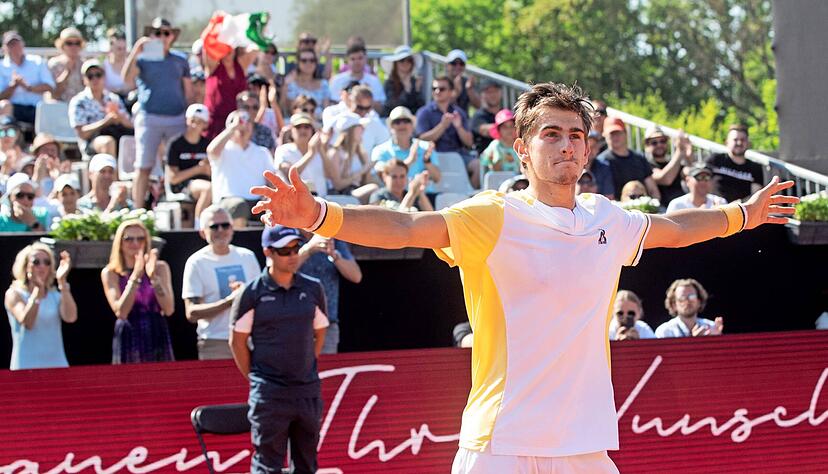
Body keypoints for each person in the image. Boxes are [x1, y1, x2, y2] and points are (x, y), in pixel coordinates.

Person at [250, 81, 797, 473]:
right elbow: (407, 225)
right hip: (501, 443)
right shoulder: (493, 215)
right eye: (551, 134)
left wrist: (744, 214)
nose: (566, 145)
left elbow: (675, 227)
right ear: (522, 150)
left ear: (588, 150)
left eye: (577, 136)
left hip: (583, 442)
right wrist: (321, 215)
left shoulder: (608, 218)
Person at [229, 225, 329, 474]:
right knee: (267, 467)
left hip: (307, 392)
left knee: (307, 466)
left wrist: (304, 364)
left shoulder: (313, 288)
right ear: (268, 252)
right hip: (269, 395)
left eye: (296, 248)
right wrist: (259, 378)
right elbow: (237, 342)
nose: (293, 254)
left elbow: (320, 332)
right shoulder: (250, 293)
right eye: (285, 250)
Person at [122, 17, 191, 208]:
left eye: (165, 33)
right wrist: (136, 50)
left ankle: (172, 205)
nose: (161, 37)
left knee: (175, 164)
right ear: (151, 35)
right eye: (157, 33)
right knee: (143, 166)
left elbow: (189, 91)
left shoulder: (180, 60)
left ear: (172, 36)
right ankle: (138, 210)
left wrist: (188, 113)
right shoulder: (142, 59)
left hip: (177, 117)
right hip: (149, 117)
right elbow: (126, 79)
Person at [183, 205, 260, 360]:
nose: (220, 230)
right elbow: (191, 312)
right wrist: (230, 301)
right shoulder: (196, 262)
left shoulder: (247, 256)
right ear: (202, 232)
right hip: (215, 342)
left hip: (250, 340)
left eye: (225, 225)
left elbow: (260, 296)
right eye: (214, 226)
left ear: (232, 228)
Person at [101, 219, 175, 363]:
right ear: (120, 243)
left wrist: (153, 277)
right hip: (129, 332)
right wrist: (135, 276)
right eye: (129, 239)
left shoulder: (160, 268)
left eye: (140, 239)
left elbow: (169, 309)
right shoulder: (111, 273)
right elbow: (121, 312)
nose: (135, 243)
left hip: (156, 330)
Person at [5, 244, 77, 370]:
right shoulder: (14, 294)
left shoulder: (55, 295)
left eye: (47, 262)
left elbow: (70, 317)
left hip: (57, 365)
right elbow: (28, 323)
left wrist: (62, 282)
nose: (42, 266)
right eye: (36, 262)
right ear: (26, 266)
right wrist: (37, 293)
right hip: (25, 366)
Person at [207, 111, 276, 228]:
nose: (243, 125)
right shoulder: (223, 150)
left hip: (257, 201)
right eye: (237, 122)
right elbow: (211, 151)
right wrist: (233, 127)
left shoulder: (262, 152)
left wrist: (271, 197)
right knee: (240, 206)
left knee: (274, 207)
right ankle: (239, 242)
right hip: (228, 201)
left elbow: (271, 182)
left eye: (247, 122)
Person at [298, 230, 362, 354]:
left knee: (327, 371)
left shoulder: (331, 237)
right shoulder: (287, 234)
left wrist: (335, 256)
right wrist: (308, 249)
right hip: (292, 325)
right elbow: (279, 273)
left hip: (328, 326)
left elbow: (356, 276)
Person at [416, 75, 477, 187]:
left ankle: (472, 197)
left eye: (442, 89)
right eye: (434, 89)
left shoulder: (459, 112)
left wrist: (459, 127)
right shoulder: (424, 112)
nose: (438, 91)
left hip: (458, 155)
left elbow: (469, 142)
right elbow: (421, 139)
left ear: (451, 92)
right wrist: (442, 126)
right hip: (434, 157)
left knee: (477, 165)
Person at [69, 59, 133, 158]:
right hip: (92, 142)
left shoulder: (113, 98)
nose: (95, 79)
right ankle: (112, 173)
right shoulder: (78, 101)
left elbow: (131, 124)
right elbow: (82, 133)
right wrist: (105, 122)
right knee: (108, 142)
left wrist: (121, 119)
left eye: (98, 75)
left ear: (104, 77)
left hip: (118, 135)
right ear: (84, 80)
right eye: (90, 76)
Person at [371, 106, 441, 189]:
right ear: (391, 127)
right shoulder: (380, 150)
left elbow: (437, 178)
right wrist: (410, 161)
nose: (402, 125)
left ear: (412, 125)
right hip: (394, 197)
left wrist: (427, 162)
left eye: (406, 121)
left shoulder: (426, 146)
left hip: (424, 196)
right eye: (397, 122)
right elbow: (379, 175)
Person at [165, 103, 212, 220]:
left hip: (206, 182)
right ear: (187, 120)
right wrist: (198, 169)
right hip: (183, 186)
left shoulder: (208, 145)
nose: (195, 124)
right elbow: (173, 178)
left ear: (205, 124)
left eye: (200, 121)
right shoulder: (175, 144)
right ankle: (199, 227)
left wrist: (207, 170)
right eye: (193, 120)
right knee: (208, 189)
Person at [202, 41, 256, 140]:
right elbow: (207, 45)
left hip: (238, 121)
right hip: (216, 123)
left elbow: (256, 47)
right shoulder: (213, 66)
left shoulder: (241, 65)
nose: (227, 51)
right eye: (224, 48)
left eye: (230, 48)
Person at [597, 117, 660, 200]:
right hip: (615, 209)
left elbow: (653, 190)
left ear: (625, 133)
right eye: (611, 134)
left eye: (618, 133)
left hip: (642, 207)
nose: (615, 137)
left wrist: (654, 204)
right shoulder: (601, 161)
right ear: (605, 136)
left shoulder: (639, 158)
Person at [0, 31, 54, 126]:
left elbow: (50, 86)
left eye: (16, 44)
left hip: (37, 108)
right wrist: (13, 86)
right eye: (11, 45)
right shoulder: (1, 66)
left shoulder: (37, 62)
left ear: (22, 45)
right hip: (13, 108)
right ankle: (6, 136)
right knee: (4, 105)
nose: (14, 47)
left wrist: (28, 87)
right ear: (4, 48)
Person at [705, 124, 764, 202]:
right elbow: (701, 181)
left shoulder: (755, 168)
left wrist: (739, 204)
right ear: (727, 142)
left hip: (740, 210)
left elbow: (756, 195)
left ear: (748, 143)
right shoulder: (716, 159)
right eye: (735, 140)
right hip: (714, 208)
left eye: (742, 140)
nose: (739, 143)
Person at [325, 113, 376, 201]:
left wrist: (366, 171)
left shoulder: (362, 153)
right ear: (351, 130)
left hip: (354, 193)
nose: (363, 130)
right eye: (360, 127)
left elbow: (366, 182)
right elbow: (338, 185)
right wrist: (362, 171)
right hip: (339, 196)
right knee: (374, 189)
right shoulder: (335, 153)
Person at [274, 113, 327, 197]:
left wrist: (321, 149)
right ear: (291, 130)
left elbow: (333, 177)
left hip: (321, 204)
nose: (303, 130)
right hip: (295, 203)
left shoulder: (319, 150)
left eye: (307, 126)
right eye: (298, 127)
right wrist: (310, 154)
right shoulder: (283, 150)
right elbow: (289, 175)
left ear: (312, 130)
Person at [656, 278, 723, 338]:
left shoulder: (711, 327)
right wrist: (694, 341)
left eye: (692, 296)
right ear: (674, 305)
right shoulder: (664, 331)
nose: (687, 301)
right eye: (682, 298)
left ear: (699, 301)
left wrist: (717, 339)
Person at [329, 42, 385, 110]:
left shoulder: (374, 81)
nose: (356, 62)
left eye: (360, 58)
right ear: (347, 60)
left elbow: (380, 107)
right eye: (353, 59)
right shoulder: (337, 80)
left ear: (366, 58)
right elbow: (333, 104)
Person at [645, 125, 691, 206]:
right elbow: (666, 179)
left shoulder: (674, 162)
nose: (659, 145)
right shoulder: (646, 164)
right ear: (647, 146)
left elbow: (692, 175)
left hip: (682, 207)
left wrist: (688, 154)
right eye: (654, 142)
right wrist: (680, 151)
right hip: (663, 211)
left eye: (662, 141)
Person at [369, 158, 433, 211]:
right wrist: (411, 193)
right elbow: (398, 220)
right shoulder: (378, 196)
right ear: (384, 177)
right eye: (394, 177)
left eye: (402, 176)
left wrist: (419, 191)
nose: (398, 181)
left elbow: (431, 215)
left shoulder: (410, 194)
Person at [282, 48, 330, 117]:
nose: (308, 63)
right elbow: (289, 109)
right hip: (300, 122)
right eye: (304, 60)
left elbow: (327, 109)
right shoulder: (291, 84)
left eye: (312, 60)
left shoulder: (323, 84)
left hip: (320, 121)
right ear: (298, 63)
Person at [380, 45, 424, 117]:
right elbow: (394, 106)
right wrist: (407, 90)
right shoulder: (389, 83)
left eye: (409, 60)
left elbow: (420, 107)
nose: (405, 63)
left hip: (410, 121)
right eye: (402, 60)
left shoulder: (414, 82)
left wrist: (417, 90)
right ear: (395, 63)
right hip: (392, 120)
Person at [47, 27, 86, 102]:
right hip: (59, 107)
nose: (74, 46)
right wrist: (67, 73)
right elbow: (54, 94)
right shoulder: (54, 64)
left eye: (77, 43)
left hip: (80, 108)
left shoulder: (85, 65)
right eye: (69, 43)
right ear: (62, 45)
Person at [480, 109, 520, 173]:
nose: (509, 130)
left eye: (511, 126)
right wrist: (490, 159)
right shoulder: (495, 145)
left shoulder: (519, 145)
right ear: (499, 130)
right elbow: (484, 161)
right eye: (505, 127)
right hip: (498, 178)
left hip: (517, 179)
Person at [470, 80, 502, 154]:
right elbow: (486, 131)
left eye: (495, 91)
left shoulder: (505, 112)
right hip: (485, 158)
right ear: (481, 95)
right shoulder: (478, 116)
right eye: (488, 92)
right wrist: (510, 127)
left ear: (501, 93)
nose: (493, 95)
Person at [444, 49, 480, 113]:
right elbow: (442, 105)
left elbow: (478, 106)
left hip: (463, 121)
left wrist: (470, 89)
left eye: (461, 63)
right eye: (454, 63)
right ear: (447, 65)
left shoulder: (467, 82)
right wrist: (456, 92)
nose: (458, 66)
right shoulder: (440, 82)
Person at [103, 27, 131, 98]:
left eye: (124, 48)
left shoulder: (131, 64)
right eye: (119, 49)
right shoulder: (104, 66)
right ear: (111, 47)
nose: (122, 52)